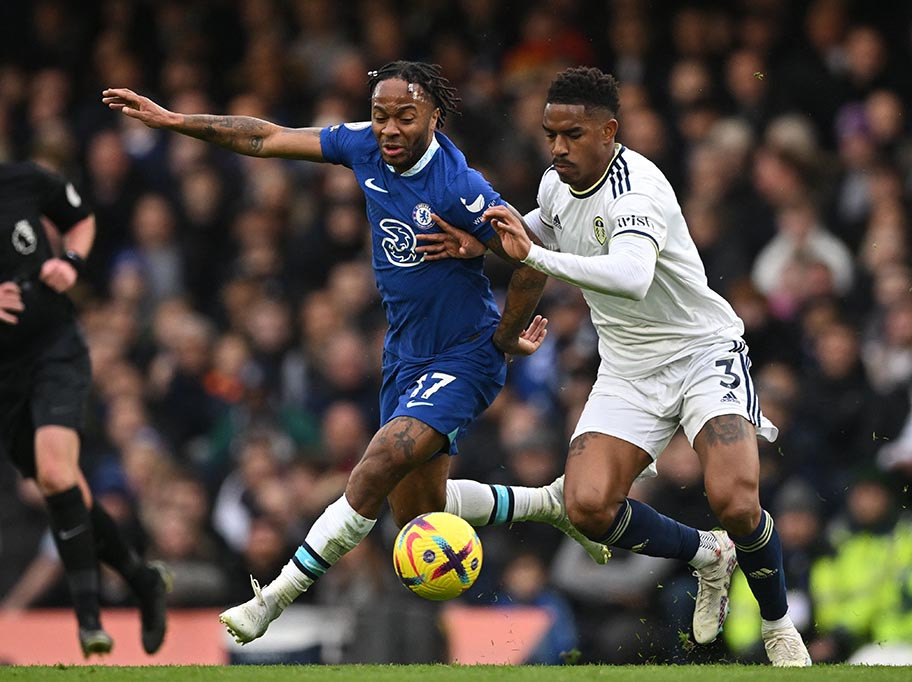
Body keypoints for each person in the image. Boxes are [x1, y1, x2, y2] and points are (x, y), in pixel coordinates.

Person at [103, 60, 610, 644]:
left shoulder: (459, 186)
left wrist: (502, 336)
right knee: (417, 517)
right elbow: (264, 136)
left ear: (433, 117)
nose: (389, 129)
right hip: (405, 357)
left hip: (466, 353)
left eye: (404, 117)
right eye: (380, 115)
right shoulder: (363, 147)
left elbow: (531, 257)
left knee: (378, 461)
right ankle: (551, 504)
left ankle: (273, 599)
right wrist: (175, 121)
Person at [417, 66, 812, 667]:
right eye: (550, 133)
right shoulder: (555, 183)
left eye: (572, 134)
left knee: (735, 500)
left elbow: (631, 276)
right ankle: (708, 554)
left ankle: (779, 627)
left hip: (702, 352)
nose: (557, 148)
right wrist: (483, 243)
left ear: (609, 131)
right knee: (587, 507)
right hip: (628, 367)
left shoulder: (639, 188)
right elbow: (535, 232)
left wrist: (540, 256)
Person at [0, 95, 170, 657]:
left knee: (53, 471)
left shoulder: (28, 180)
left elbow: (82, 220)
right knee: (62, 486)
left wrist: (71, 262)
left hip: (55, 347)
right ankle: (142, 580)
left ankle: (89, 621)